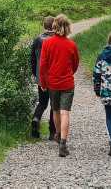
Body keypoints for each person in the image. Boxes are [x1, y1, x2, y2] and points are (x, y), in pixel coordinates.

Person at [38, 14, 79, 158]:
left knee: (55, 110)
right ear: (67, 27)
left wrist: (43, 82)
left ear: (55, 26)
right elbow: (75, 65)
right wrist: (68, 73)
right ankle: (63, 142)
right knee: (65, 112)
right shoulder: (72, 44)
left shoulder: (47, 44)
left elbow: (43, 66)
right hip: (67, 82)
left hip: (53, 83)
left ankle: (58, 133)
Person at [29, 15, 57, 140]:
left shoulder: (37, 40)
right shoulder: (56, 39)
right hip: (53, 76)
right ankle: (52, 132)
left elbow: (33, 60)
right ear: (54, 26)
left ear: (44, 26)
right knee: (54, 105)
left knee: (42, 102)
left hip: (41, 77)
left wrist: (36, 75)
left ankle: (36, 119)